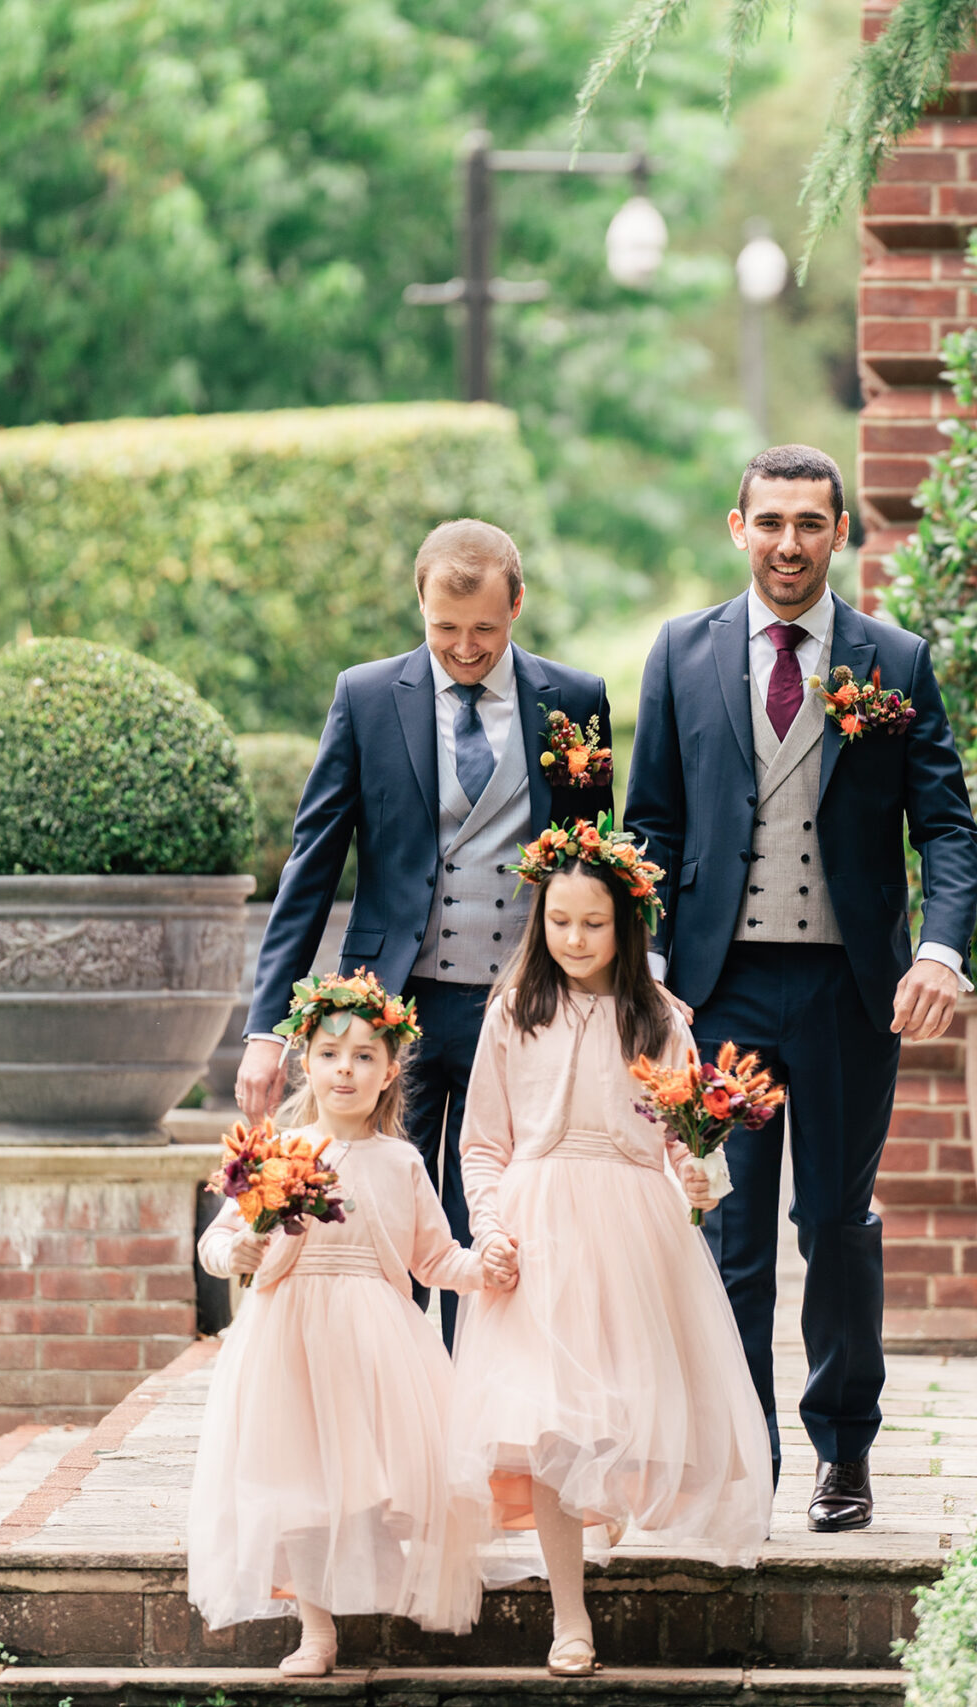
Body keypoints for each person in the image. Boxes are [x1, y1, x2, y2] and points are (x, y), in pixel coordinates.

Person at [624, 444, 977, 1533]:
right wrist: (642, 965)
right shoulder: (679, 653)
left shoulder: (895, 659)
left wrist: (940, 951)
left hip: (845, 993)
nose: (788, 544)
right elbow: (651, 825)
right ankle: (743, 1462)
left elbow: (947, 828)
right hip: (716, 996)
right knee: (730, 1237)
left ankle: (843, 1455)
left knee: (835, 1224)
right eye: (769, 521)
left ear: (840, 533)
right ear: (738, 527)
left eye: (810, 524)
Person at [235, 518, 612, 1343]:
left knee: (500, 1222)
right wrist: (267, 1028)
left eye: (484, 628)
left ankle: (484, 1420)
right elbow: (311, 866)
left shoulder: (574, 703)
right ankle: (401, 1416)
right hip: (391, 1015)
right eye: (445, 629)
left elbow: (597, 870)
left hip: (525, 1011)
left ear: (517, 604)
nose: (465, 648)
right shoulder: (366, 697)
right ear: (420, 605)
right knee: (383, 1222)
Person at [451, 820, 774, 1677]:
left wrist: (705, 1174)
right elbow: (483, 1140)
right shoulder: (514, 1010)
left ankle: (611, 1521)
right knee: (551, 1424)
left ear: (627, 924)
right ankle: (569, 1614)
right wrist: (489, 1223)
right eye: (559, 922)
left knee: (627, 1412)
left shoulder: (661, 1018)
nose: (575, 939)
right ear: (539, 919)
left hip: (632, 1231)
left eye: (593, 923)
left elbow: (685, 1134)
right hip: (538, 1227)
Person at [188, 972, 514, 1675]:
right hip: (289, 1336)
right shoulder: (276, 1148)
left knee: (382, 1474)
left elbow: (434, 1255)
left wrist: (482, 1268)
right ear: (306, 1060)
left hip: (376, 1339)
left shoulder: (401, 1160)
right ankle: (316, 1628)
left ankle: (388, 1582)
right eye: (332, 1053)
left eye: (366, 1055)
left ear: (391, 1070)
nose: (347, 1068)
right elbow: (216, 1242)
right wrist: (237, 1250)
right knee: (300, 1482)